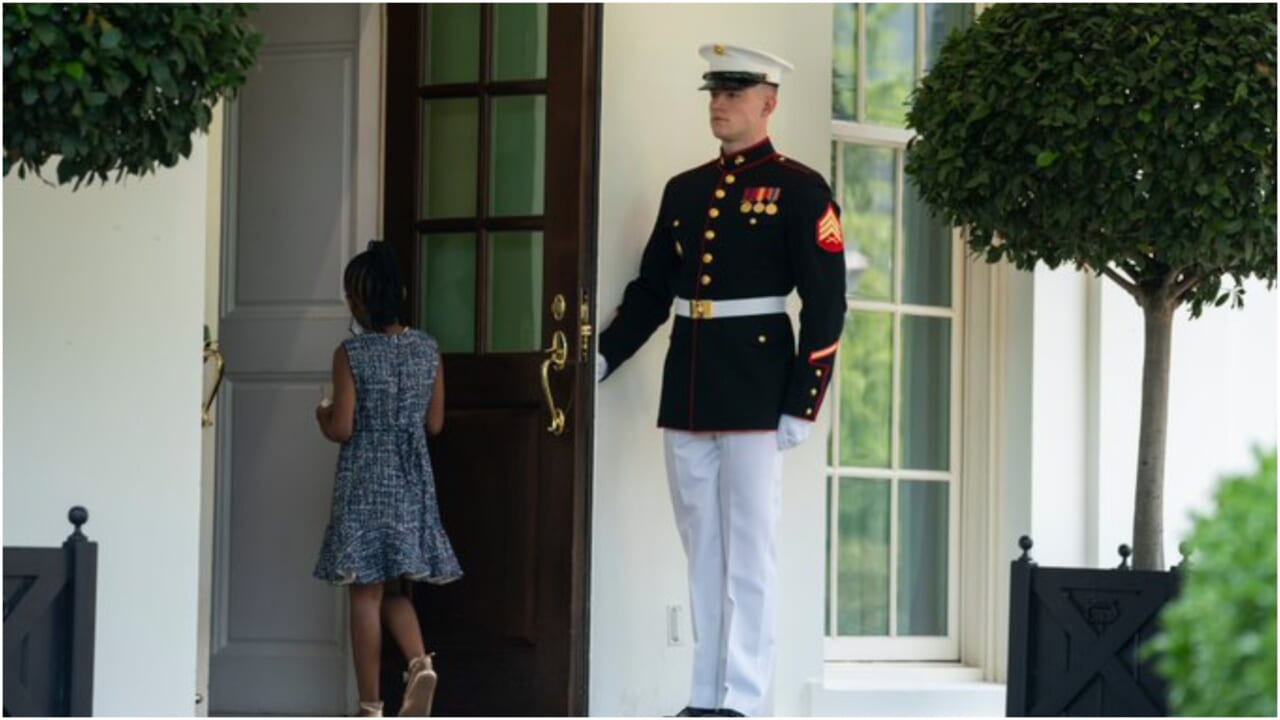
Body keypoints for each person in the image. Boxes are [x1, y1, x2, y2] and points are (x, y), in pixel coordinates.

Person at [596, 44, 847, 717]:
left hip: (759, 389)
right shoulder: (685, 190)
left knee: (750, 553)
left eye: (735, 92)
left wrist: (803, 400)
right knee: (701, 548)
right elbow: (653, 291)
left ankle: (743, 697)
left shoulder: (800, 188)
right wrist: (602, 357)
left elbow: (826, 303)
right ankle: (705, 697)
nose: (720, 103)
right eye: (714, 90)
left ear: (769, 101)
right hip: (691, 384)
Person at [313, 241, 463, 717]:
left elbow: (343, 427)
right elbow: (434, 424)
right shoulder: (428, 349)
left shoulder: (351, 353)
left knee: (365, 592)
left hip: (364, 485)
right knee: (395, 589)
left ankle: (370, 706)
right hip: (411, 484)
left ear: (359, 300)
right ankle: (420, 663)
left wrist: (322, 414)